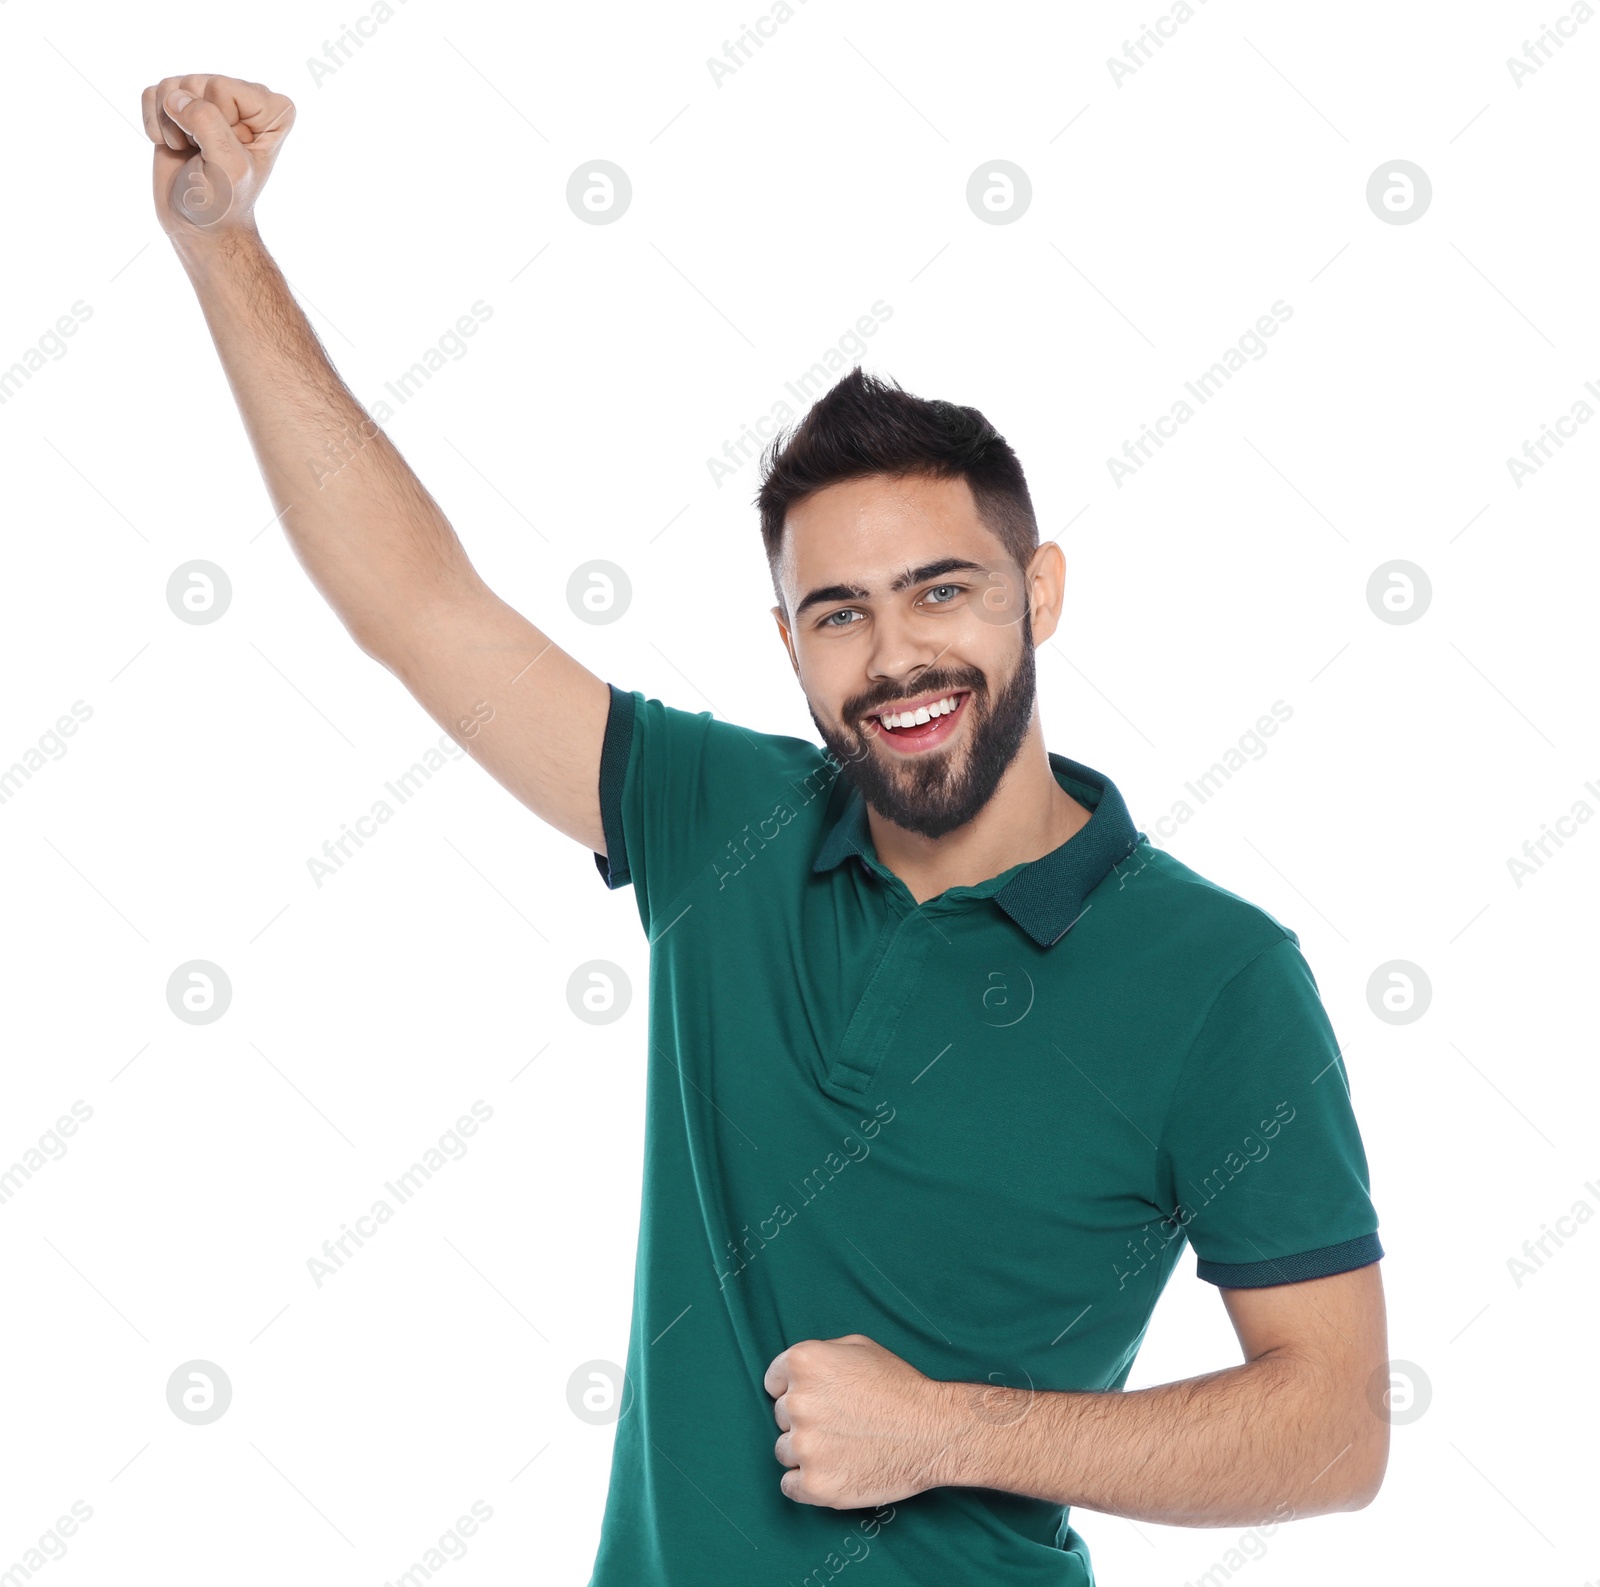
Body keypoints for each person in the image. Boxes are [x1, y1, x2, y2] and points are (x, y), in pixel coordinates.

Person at [141, 73, 1389, 1586]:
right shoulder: (720, 824)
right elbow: (417, 607)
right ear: (789, 644)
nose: (898, 658)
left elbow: (1334, 1429)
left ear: (1038, 593)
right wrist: (223, 245)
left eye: (944, 590)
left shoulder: (1221, 978)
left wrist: (946, 1432)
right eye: (839, 614)